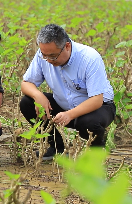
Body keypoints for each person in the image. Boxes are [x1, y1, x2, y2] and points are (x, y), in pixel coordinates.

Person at [19, 24, 116, 160]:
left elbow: (96, 100)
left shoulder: (89, 58)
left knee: (88, 123)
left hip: (98, 108)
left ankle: (96, 153)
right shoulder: (44, 55)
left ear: (67, 46)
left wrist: (69, 115)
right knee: (27, 103)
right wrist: (37, 95)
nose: (48, 60)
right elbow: (26, 83)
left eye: (53, 56)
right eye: (44, 55)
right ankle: (57, 148)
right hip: (64, 105)